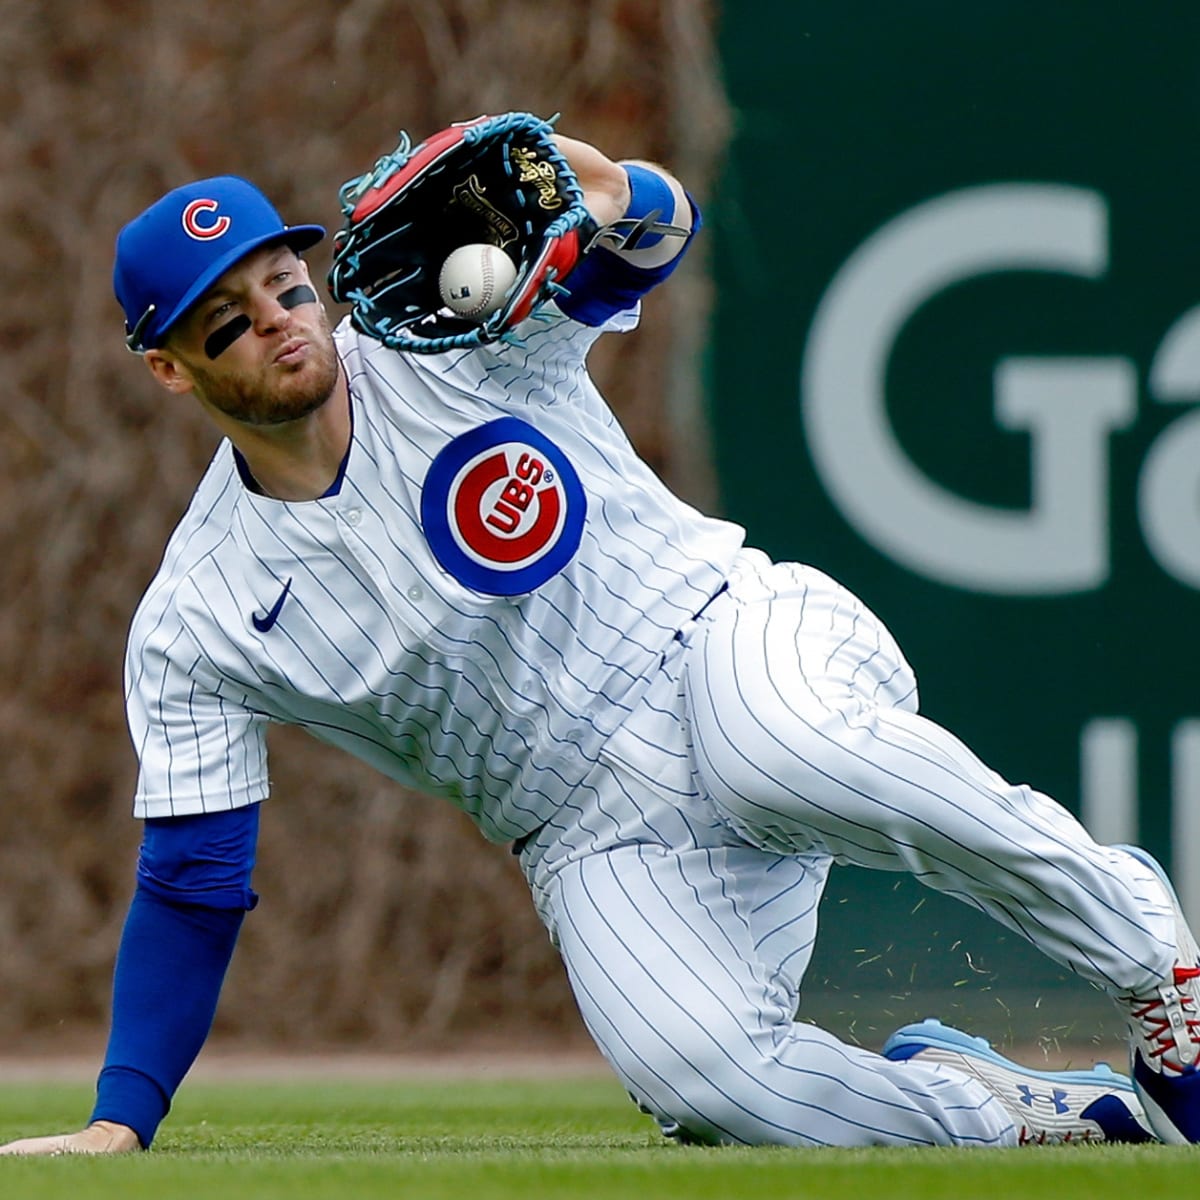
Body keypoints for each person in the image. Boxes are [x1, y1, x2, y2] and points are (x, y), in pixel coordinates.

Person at [3, 119, 1198, 1156]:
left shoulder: (441, 337)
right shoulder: (197, 621)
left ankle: (1162, 975)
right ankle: (1008, 1109)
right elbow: (193, 884)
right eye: (227, 323)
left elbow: (655, 239)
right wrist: (124, 1115)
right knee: (702, 1078)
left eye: (286, 287)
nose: (276, 324)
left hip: (720, 638)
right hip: (582, 828)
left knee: (775, 748)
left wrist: (615, 188)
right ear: (168, 369)